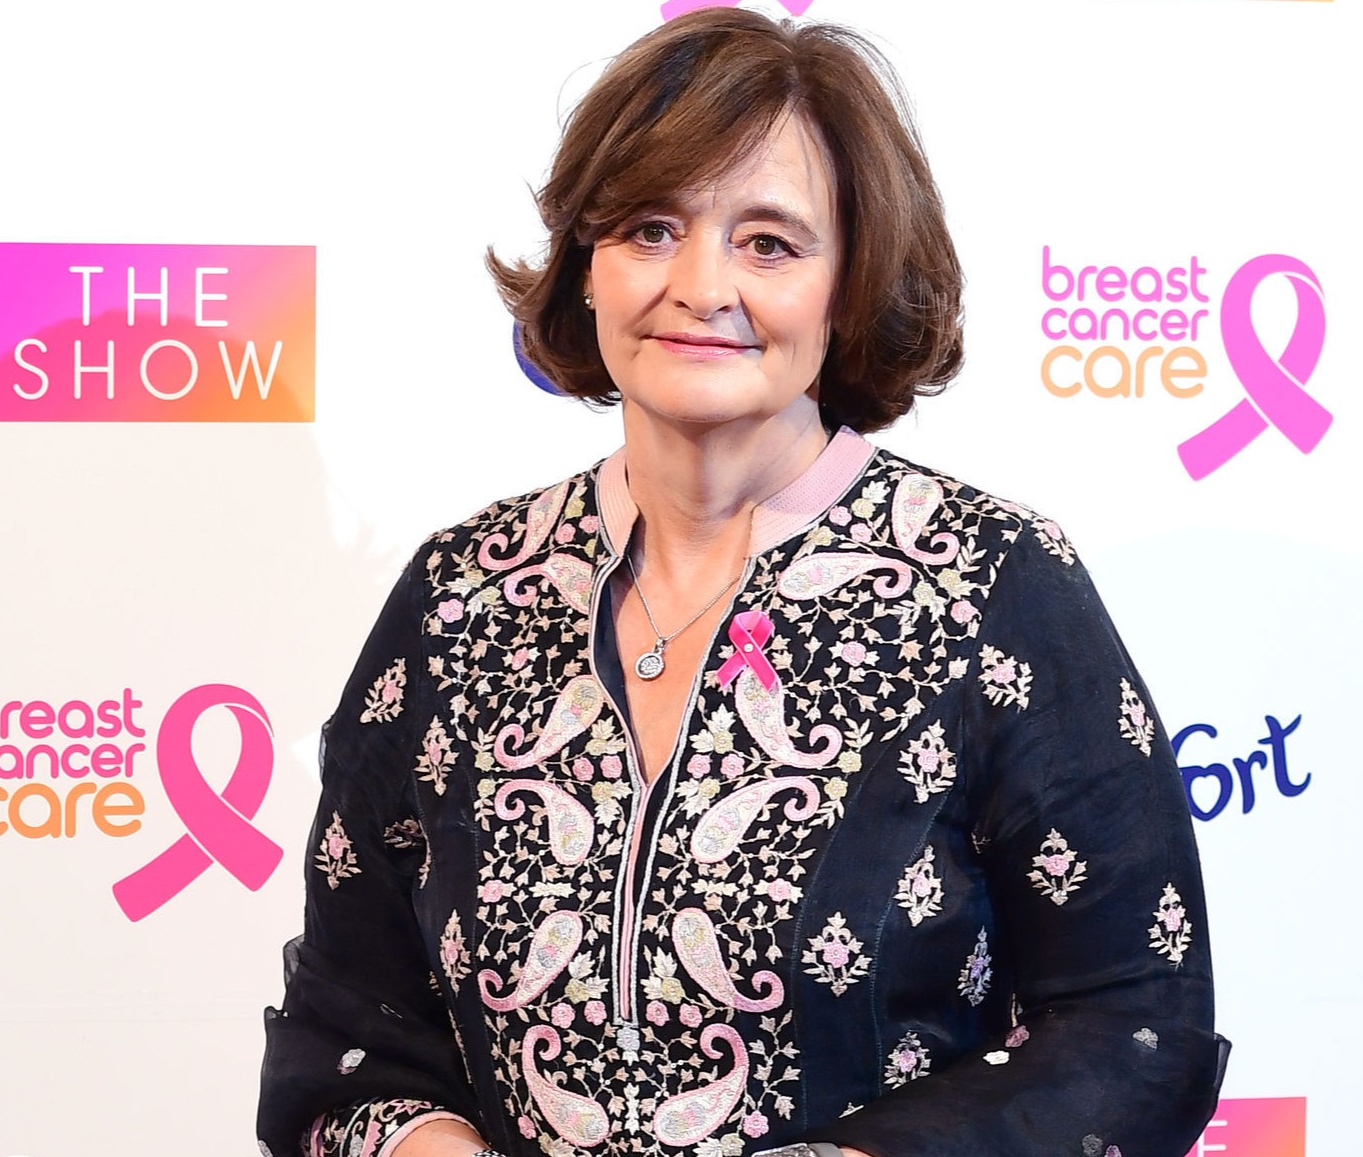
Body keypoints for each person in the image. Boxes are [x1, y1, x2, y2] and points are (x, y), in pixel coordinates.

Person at [258, 10, 1225, 1157]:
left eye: (768, 243)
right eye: (649, 229)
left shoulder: (990, 583)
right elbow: (346, 1034)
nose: (700, 283)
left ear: (847, 284)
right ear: (584, 266)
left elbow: (1131, 1028)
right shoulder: (462, 595)